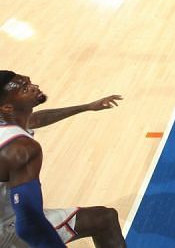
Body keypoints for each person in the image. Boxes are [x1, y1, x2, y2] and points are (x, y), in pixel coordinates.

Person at [0, 70, 125, 247]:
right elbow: (28, 222)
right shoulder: (22, 149)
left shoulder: (7, 119)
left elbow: (34, 120)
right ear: (7, 107)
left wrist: (87, 107)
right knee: (104, 219)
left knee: (104, 217)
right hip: (8, 228)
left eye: (29, 82)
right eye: (25, 88)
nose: (34, 87)